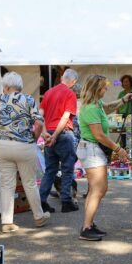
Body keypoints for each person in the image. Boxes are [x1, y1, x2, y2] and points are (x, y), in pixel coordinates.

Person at [0, 72, 50, 233]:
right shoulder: (28, 100)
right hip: (24, 146)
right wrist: (34, 138)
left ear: (6, 87)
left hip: (2, 146)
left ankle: (7, 222)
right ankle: (39, 217)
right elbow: (39, 123)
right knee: (30, 183)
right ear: (19, 86)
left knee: (7, 184)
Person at [77, 74, 130, 241]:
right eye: (103, 87)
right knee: (99, 189)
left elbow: (107, 108)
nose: (106, 89)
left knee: (95, 189)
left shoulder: (96, 104)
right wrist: (118, 149)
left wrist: (123, 100)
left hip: (92, 149)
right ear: (96, 89)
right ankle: (86, 227)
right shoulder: (91, 108)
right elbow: (99, 135)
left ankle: (89, 224)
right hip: (92, 150)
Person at [39, 68, 79, 213]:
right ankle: (66, 202)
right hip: (62, 134)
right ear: (73, 81)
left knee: (50, 170)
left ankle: (42, 202)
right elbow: (65, 117)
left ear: (62, 77)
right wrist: (55, 135)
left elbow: (39, 115)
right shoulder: (70, 94)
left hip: (49, 133)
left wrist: (44, 133)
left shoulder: (48, 92)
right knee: (68, 168)